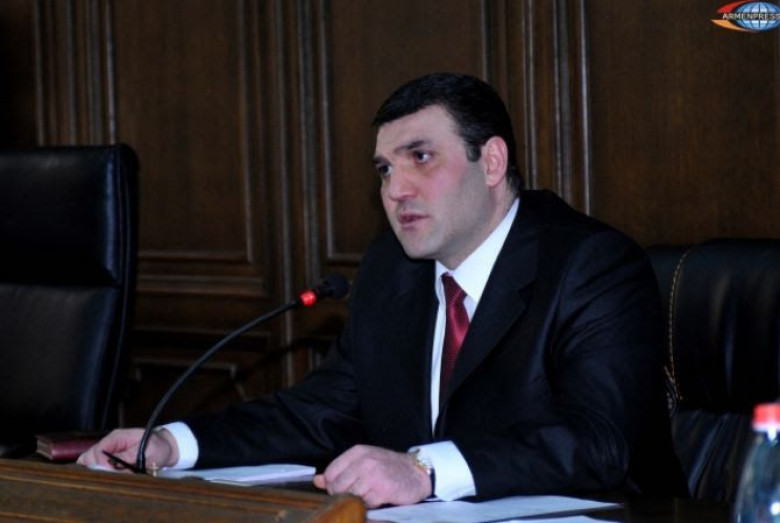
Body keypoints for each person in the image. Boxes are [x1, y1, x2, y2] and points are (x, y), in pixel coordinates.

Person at [79, 72, 687, 507]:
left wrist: (423, 470)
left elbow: (598, 442)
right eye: (385, 169)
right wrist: (172, 443)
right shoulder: (393, 272)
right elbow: (319, 413)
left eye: (420, 157)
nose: (395, 190)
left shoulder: (590, 264)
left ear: (492, 162)